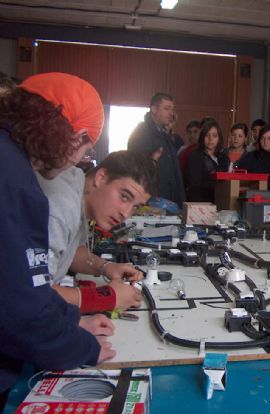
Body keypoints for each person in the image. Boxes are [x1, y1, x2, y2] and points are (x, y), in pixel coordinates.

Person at [0, 72, 115, 409]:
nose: (79, 161)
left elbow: (22, 286)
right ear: (75, 137)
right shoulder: (16, 182)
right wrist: (84, 347)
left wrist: (70, 321)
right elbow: (21, 313)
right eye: (85, 149)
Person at [38, 150, 157, 313]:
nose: (126, 213)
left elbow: (69, 250)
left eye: (135, 206)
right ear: (100, 177)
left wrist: (106, 267)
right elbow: (34, 294)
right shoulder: (60, 207)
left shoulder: (78, 186)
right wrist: (105, 297)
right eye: (124, 196)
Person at [127, 92, 185, 207]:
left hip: (170, 200)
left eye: (172, 109)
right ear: (154, 109)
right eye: (167, 109)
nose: (171, 114)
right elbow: (136, 168)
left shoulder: (165, 135)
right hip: (152, 202)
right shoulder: (141, 132)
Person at [184, 120, 230, 202]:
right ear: (202, 137)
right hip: (200, 203)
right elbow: (195, 184)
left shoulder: (223, 157)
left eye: (214, 135)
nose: (210, 139)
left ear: (219, 138)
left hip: (221, 201)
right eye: (207, 135)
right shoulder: (195, 156)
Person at [238, 124, 270, 190]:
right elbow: (239, 178)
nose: (266, 141)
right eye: (263, 138)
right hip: (254, 195)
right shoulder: (250, 157)